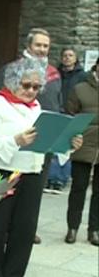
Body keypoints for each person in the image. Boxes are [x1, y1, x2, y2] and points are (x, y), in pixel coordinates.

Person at [0, 58, 82, 277]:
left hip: (32, 170)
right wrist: (15, 141)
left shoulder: (37, 108)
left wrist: (70, 143)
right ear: (13, 82)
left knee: (25, 225)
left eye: (36, 87)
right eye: (26, 85)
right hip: (0, 170)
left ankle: (14, 274)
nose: (31, 91)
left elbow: (49, 141)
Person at [0, 27, 62, 245]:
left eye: (45, 46)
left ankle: (27, 228)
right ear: (28, 46)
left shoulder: (54, 75)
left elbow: (57, 103)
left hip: (44, 140)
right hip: (16, 141)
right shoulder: (11, 70)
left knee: (33, 193)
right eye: (38, 45)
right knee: (11, 193)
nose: (41, 49)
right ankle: (8, 229)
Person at [64, 60, 98, 246]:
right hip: (83, 145)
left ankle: (94, 230)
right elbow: (70, 114)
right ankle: (72, 228)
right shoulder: (80, 88)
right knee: (78, 188)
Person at [48, 48, 88, 191]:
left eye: (70, 55)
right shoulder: (55, 74)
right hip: (57, 110)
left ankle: (61, 179)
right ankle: (51, 177)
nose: (67, 58)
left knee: (67, 148)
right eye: (64, 55)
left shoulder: (82, 76)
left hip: (72, 112)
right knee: (54, 146)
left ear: (75, 58)